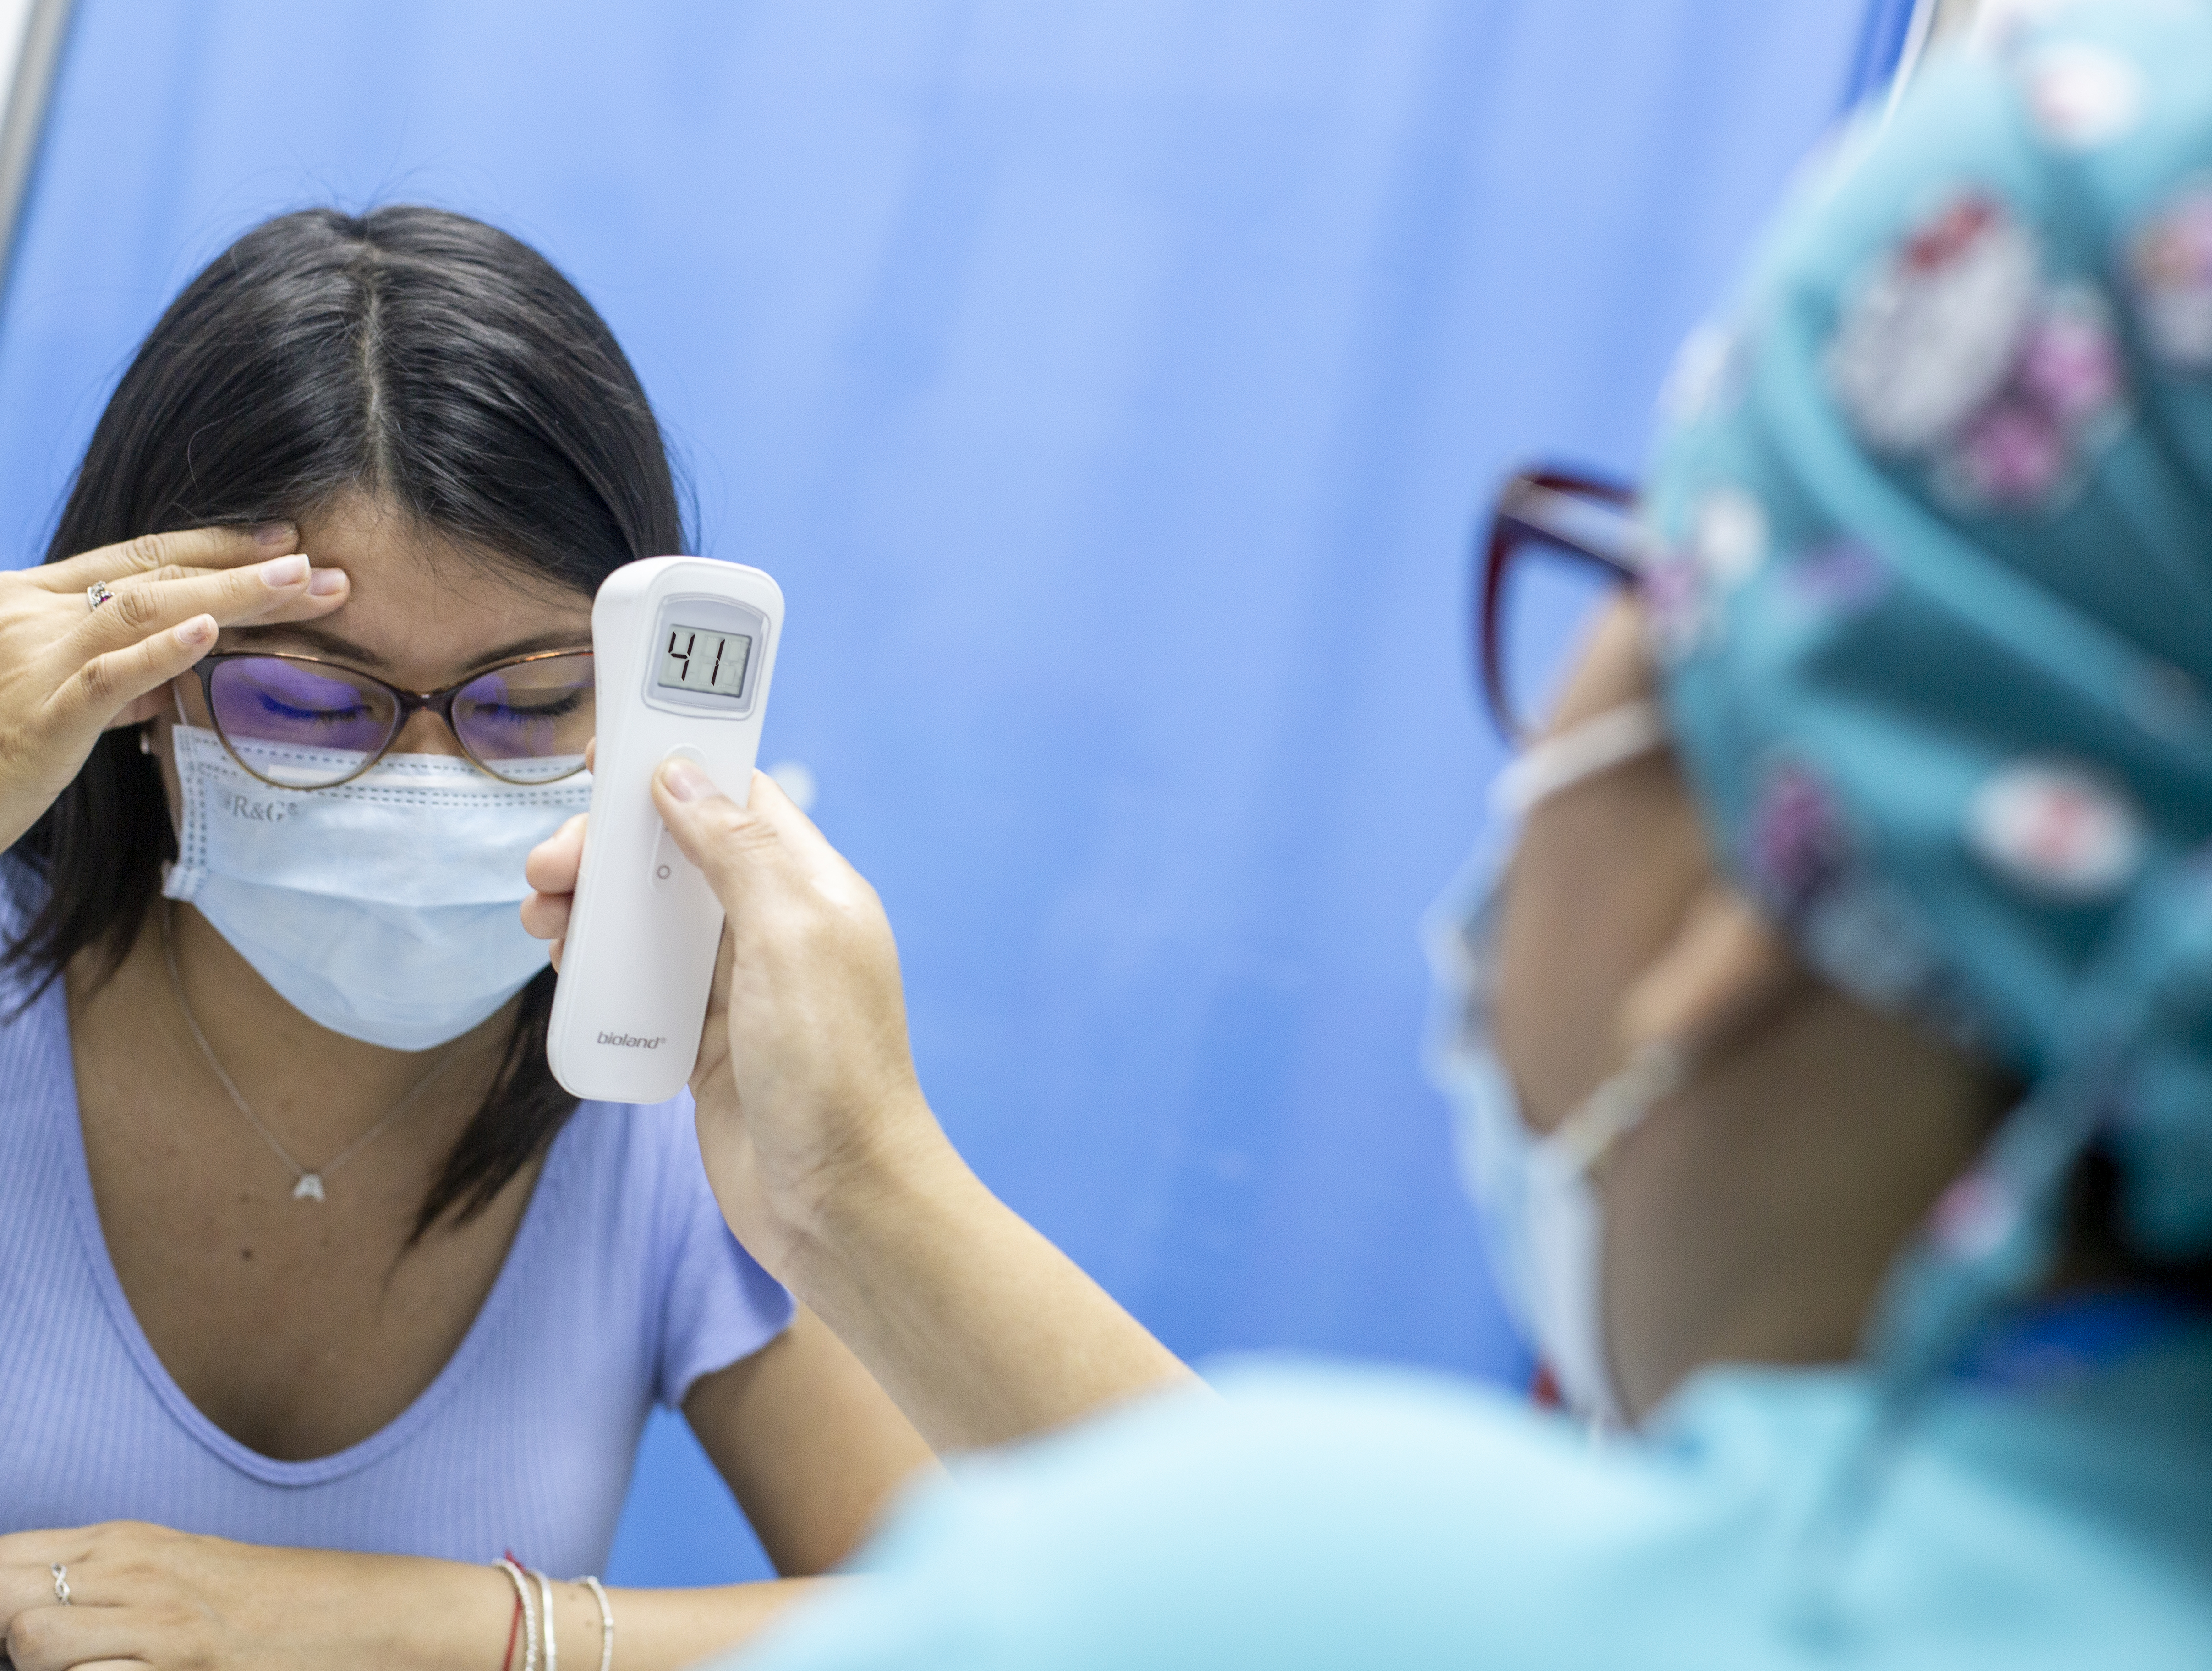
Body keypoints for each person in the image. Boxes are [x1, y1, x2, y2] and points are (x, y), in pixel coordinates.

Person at [525, 5, 2212, 1662]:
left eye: (1631, 575)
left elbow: (1228, 1598)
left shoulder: (1234, 1593)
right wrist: (853, 1190)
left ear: (1753, 871)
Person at [0, 206, 930, 1668]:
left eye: (527, 700)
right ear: (140, 685)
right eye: (306, 701)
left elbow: (1011, 1625)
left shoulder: (665, 1073)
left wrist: (444, 1630)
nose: (426, 775)